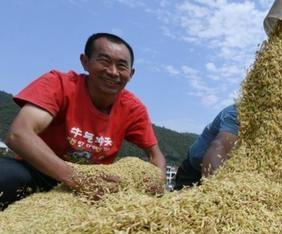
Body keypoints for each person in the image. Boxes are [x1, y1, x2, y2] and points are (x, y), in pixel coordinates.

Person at [0, 33, 166, 210]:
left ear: (131, 74)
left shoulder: (133, 108)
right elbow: (19, 134)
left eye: (121, 66)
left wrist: (156, 185)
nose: (113, 72)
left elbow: (156, 156)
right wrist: (77, 179)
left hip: (96, 187)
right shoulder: (59, 84)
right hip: (41, 172)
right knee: (5, 175)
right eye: (104, 61)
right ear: (85, 61)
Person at [174, 104, 239, 190]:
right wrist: (215, 189)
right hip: (193, 172)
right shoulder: (236, 113)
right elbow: (220, 146)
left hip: (232, 175)